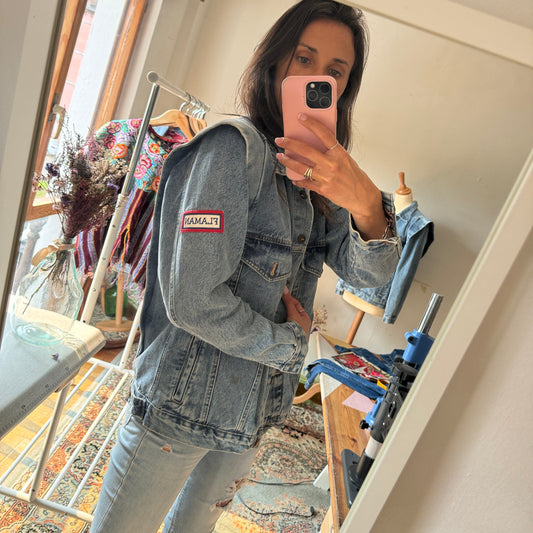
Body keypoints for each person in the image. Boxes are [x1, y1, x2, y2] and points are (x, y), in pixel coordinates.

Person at [90, 1, 401, 531]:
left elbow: (369, 277)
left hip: (250, 415)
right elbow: (192, 301)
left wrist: (368, 205)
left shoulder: (317, 179)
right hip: (180, 410)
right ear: (275, 61)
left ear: (346, 88)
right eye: (304, 58)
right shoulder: (231, 152)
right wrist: (289, 345)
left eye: (335, 70)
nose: (318, 79)